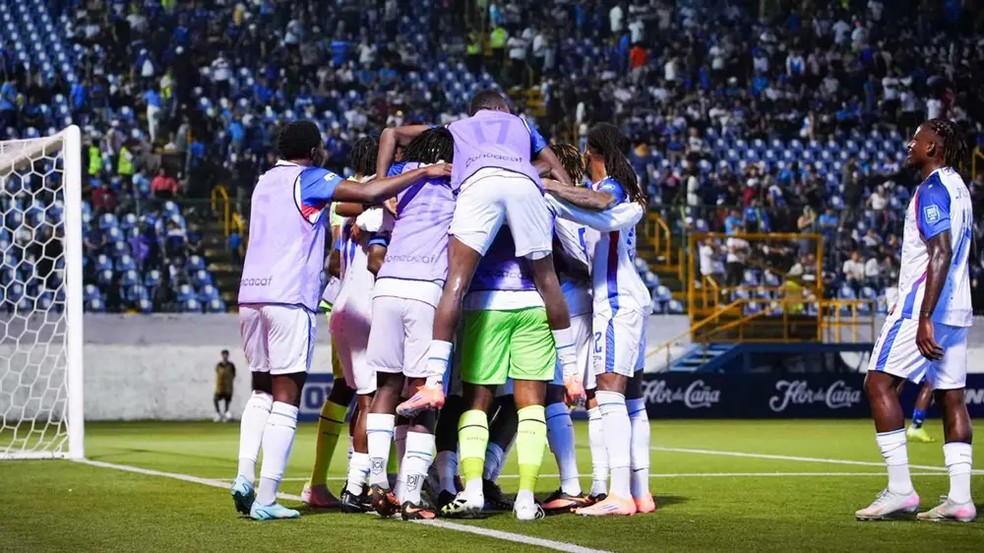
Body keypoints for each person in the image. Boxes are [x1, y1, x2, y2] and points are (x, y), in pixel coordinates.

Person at [230, 120, 450, 521]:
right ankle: (266, 497)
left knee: (260, 390)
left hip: (249, 294)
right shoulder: (310, 178)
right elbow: (366, 192)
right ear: (314, 152)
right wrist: (426, 170)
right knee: (286, 396)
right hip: (287, 296)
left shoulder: (264, 181)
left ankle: (244, 474)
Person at [387, 90, 581, 421]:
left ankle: (433, 383)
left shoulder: (456, 126)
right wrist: (564, 191)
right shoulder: (522, 123)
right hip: (523, 183)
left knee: (456, 284)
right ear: (501, 109)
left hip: (478, 186)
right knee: (546, 278)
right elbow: (554, 166)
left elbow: (398, 133)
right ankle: (574, 375)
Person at [856, 119, 975, 523]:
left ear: (933, 148)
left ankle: (901, 491)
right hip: (958, 307)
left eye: (917, 139)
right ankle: (960, 498)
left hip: (923, 307)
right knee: (951, 396)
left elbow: (939, 251)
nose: (910, 144)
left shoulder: (932, 189)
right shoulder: (960, 188)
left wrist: (923, 315)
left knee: (879, 383)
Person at [541, 123, 653, 516]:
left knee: (608, 395)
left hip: (616, 302)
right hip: (631, 297)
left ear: (595, 152)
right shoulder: (630, 194)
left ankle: (618, 494)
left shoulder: (613, 190)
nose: (585, 160)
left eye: (588, 154)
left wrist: (551, 189)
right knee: (634, 400)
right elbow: (600, 217)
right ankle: (640, 492)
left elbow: (600, 207)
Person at [362, 128, 457, 521]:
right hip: (425, 290)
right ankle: (412, 496)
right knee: (424, 393)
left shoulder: (398, 178)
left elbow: (390, 132)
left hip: (386, 286)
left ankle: (377, 482)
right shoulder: (460, 182)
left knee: (386, 385)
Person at [302, 137, 379, 510]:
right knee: (369, 392)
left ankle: (337, 477)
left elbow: (333, 258)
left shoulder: (343, 194)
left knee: (349, 390)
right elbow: (336, 257)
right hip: (362, 299)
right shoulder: (370, 192)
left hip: (338, 300)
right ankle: (354, 479)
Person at [214, 350, 236, 422]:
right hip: (220, 387)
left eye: (226, 354)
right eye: (224, 354)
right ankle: (218, 413)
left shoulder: (231, 365)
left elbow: (233, 374)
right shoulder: (219, 365)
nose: (225, 356)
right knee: (216, 399)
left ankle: (226, 413)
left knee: (227, 401)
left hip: (228, 387)